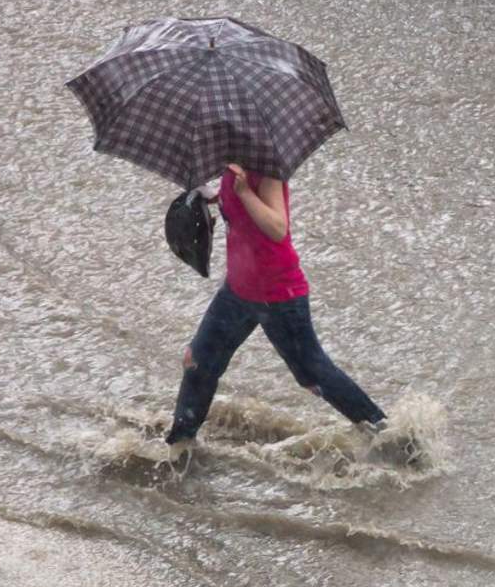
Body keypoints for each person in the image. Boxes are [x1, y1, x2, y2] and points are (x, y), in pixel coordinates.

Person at [165, 163, 388, 448]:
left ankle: (384, 435)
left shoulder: (266, 167)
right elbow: (231, 201)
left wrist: (245, 193)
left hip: (278, 294)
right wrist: (207, 194)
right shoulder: (232, 165)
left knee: (311, 374)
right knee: (198, 362)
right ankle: (180, 445)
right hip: (238, 290)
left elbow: (277, 227)